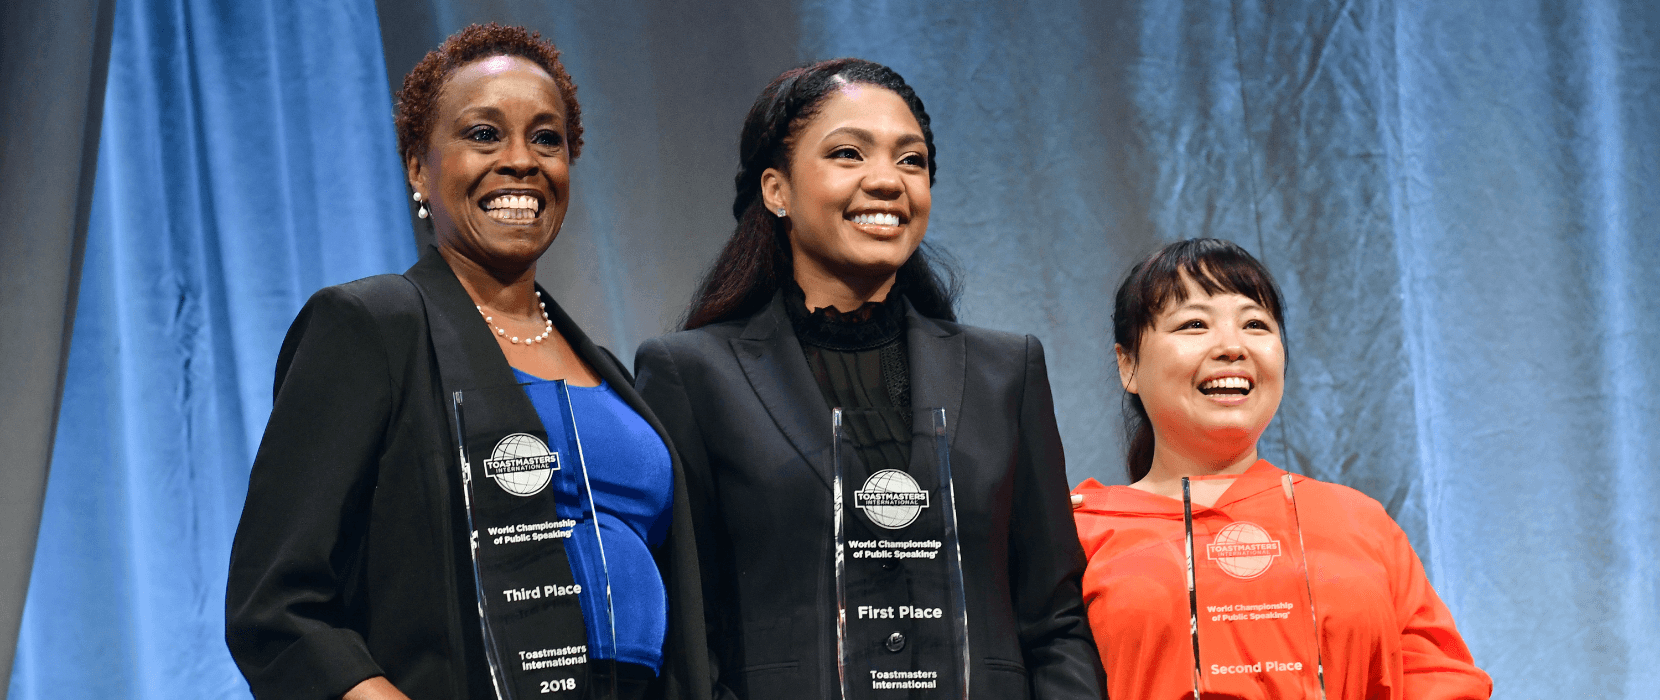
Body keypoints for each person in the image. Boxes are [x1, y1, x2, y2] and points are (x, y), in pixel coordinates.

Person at [226, 24, 710, 700]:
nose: (520, 160)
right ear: (418, 168)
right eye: (484, 134)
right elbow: (276, 607)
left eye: (547, 138)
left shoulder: (609, 370)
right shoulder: (373, 327)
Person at [633, 58, 1104, 699]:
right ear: (776, 190)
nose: (887, 181)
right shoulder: (691, 374)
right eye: (849, 153)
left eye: (911, 161)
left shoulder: (1007, 371)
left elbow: (1054, 622)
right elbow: (691, 638)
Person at [1071, 238, 1492, 699]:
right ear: (1128, 364)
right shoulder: (1078, 532)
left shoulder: (1358, 521)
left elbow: (1440, 680)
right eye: (1194, 324)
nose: (1232, 346)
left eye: (1255, 324)